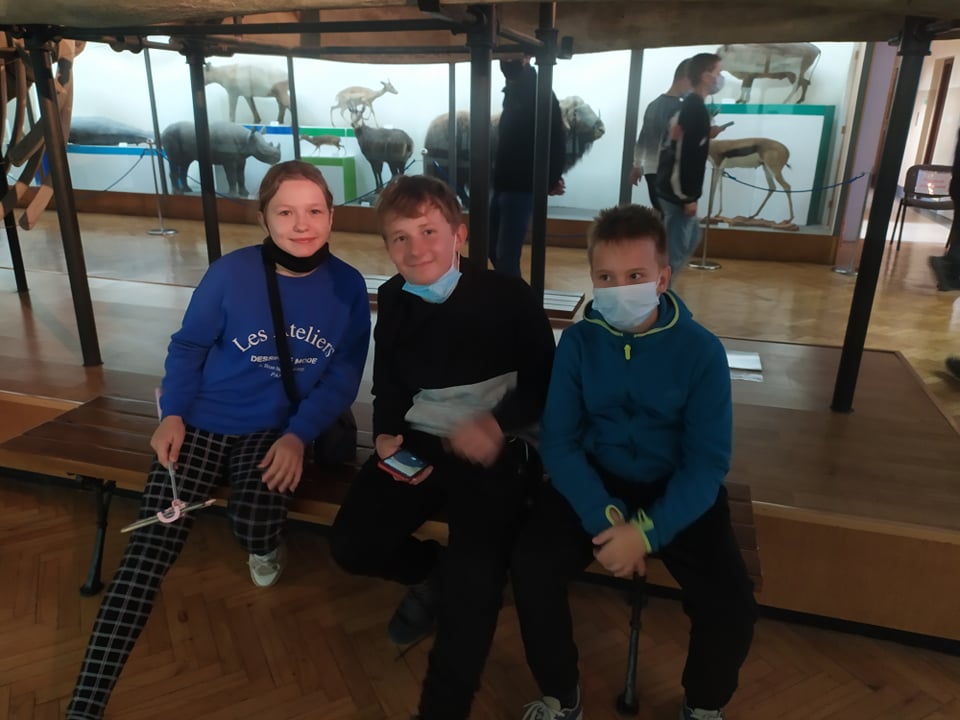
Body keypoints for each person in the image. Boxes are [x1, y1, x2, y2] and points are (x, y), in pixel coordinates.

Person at [66, 160, 371, 720]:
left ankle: (264, 545)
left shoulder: (348, 286)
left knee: (254, 523)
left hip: (276, 427)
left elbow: (343, 375)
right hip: (205, 419)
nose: (301, 224)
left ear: (332, 215)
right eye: (285, 212)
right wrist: (173, 415)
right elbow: (188, 347)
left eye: (314, 211)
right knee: (148, 553)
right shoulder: (231, 274)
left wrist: (299, 435)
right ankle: (84, 707)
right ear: (263, 217)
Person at [511, 204, 757, 720]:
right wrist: (606, 518)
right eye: (606, 277)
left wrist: (644, 533)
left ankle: (704, 704)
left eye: (635, 276)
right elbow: (560, 442)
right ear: (592, 279)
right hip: (594, 481)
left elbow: (708, 463)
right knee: (531, 568)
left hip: (676, 488)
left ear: (662, 279)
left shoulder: (702, 352)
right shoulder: (578, 343)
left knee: (730, 600)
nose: (619, 288)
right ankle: (561, 695)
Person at [329, 174, 556, 720]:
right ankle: (432, 575)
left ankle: (441, 707)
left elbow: (545, 381)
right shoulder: (393, 298)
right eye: (400, 237)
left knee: (475, 581)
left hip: (497, 445)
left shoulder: (509, 296)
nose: (416, 249)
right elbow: (390, 382)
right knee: (352, 544)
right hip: (420, 439)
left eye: (428, 231)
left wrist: (496, 424)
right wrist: (387, 432)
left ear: (459, 234)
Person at [490, 53, 567, 278]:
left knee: (506, 256)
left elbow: (557, 139)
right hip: (503, 184)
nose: (506, 61)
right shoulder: (513, 93)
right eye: (503, 56)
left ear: (527, 57)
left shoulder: (540, 93)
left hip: (521, 187)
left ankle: (515, 299)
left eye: (511, 56)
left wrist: (550, 179)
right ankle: (513, 295)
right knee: (492, 248)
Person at [656, 53, 728, 277]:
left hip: (678, 191)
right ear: (706, 76)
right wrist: (687, 197)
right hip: (678, 193)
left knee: (690, 238)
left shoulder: (695, 108)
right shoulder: (693, 109)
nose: (721, 78)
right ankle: (658, 296)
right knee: (673, 257)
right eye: (718, 73)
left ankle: (660, 293)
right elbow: (682, 156)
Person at [629, 59, 692, 213]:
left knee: (663, 214)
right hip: (668, 172)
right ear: (685, 79)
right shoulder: (680, 107)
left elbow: (642, 138)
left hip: (650, 170)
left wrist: (637, 165)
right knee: (672, 217)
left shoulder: (653, 105)